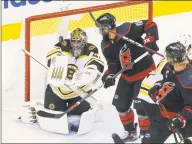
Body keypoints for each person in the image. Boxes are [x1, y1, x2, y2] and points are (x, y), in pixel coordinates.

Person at [19, 28, 105, 135]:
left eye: (78, 41)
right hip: (57, 89)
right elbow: (52, 55)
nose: (75, 44)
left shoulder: (91, 49)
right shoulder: (63, 45)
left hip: (78, 91)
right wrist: (58, 68)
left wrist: (86, 75)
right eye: (73, 41)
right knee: (53, 114)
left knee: (77, 120)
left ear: (84, 41)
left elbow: (97, 64)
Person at [95, 13, 159, 142]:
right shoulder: (105, 45)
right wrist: (109, 75)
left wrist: (150, 40)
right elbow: (113, 64)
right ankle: (131, 133)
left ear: (109, 27)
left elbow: (149, 23)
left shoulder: (128, 28)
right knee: (120, 105)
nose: (101, 31)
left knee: (141, 107)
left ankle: (145, 136)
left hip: (144, 72)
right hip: (128, 76)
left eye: (103, 28)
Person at [142, 42, 192, 143]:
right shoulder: (170, 67)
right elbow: (166, 79)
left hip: (182, 119)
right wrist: (157, 87)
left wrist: (181, 119)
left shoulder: (188, 80)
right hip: (163, 114)